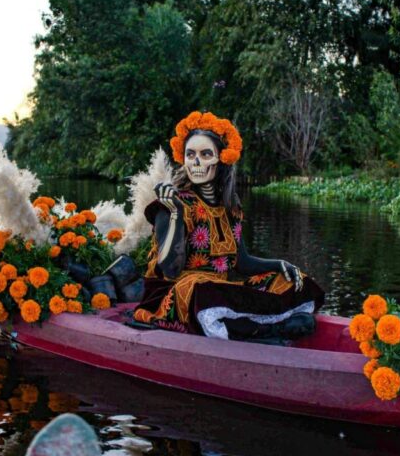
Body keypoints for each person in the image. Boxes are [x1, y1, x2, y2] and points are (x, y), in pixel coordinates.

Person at [132, 111, 324, 341]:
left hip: (220, 289)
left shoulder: (231, 209)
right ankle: (271, 329)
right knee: (202, 290)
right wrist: (176, 213)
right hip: (177, 292)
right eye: (190, 154)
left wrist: (279, 264)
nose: (196, 162)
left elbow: (242, 262)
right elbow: (170, 270)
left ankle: (263, 323)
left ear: (222, 159)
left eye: (205, 154)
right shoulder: (170, 205)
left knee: (294, 281)